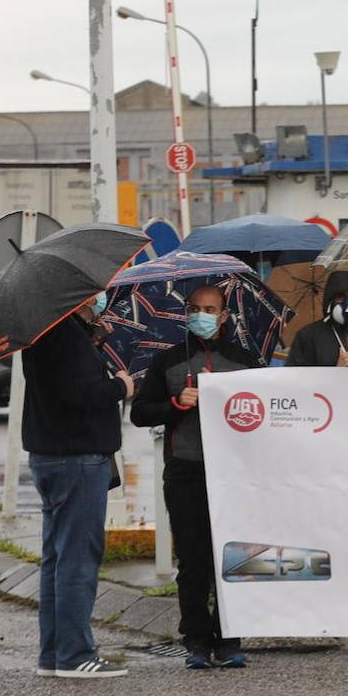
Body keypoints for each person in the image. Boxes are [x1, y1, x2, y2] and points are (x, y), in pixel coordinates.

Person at [130, 285, 262, 670]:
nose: (202, 315)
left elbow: (266, 413)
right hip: (185, 471)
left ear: (224, 316)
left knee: (234, 557)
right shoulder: (168, 361)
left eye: (210, 309)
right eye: (195, 308)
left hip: (235, 474)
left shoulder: (245, 361)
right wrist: (175, 404)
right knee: (193, 559)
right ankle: (197, 641)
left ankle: (230, 638)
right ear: (185, 313)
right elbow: (140, 413)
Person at [23, 290, 135, 679]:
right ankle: (75, 654)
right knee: (77, 559)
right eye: (94, 294)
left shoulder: (45, 330)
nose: (99, 299)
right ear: (77, 295)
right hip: (77, 459)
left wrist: (93, 340)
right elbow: (83, 393)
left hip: (50, 455)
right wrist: (122, 386)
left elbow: (63, 383)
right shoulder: (65, 335)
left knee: (56, 557)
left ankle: (53, 653)